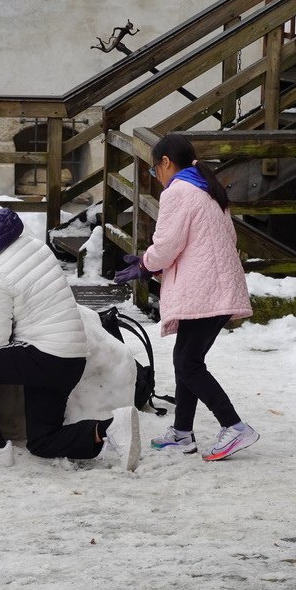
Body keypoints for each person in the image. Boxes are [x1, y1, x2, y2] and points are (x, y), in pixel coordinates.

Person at [0, 208, 140, 470]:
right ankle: (111, 428)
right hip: (70, 358)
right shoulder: (33, 246)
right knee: (42, 441)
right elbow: (25, 291)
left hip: (43, 355)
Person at [113, 133, 258, 461]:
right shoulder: (206, 189)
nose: (157, 177)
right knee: (186, 361)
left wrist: (145, 264)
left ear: (166, 162)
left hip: (205, 293)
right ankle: (182, 433)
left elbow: (167, 245)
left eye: (154, 170)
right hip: (213, 290)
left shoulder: (178, 191)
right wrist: (150, 267)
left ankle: (234, 426)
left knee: (188, 364)